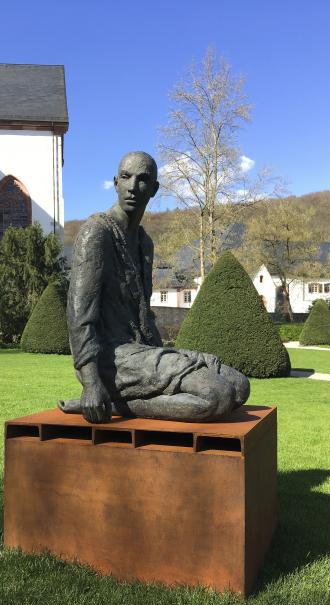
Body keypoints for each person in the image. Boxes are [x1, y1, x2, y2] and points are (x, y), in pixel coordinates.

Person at [59, 151, 250, 423]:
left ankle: (123, 400)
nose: (132, 187)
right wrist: (91, 384)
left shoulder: (144, 243)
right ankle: (114, 403)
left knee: (240, 385)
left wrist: (165, 354)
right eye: (126, 177)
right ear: (115, 182)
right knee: (218, 395)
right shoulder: (97, 233)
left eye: (142, 179)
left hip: (143, 352)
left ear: (154, 189)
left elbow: (143, 314)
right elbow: (79, 316)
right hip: (111, 358)